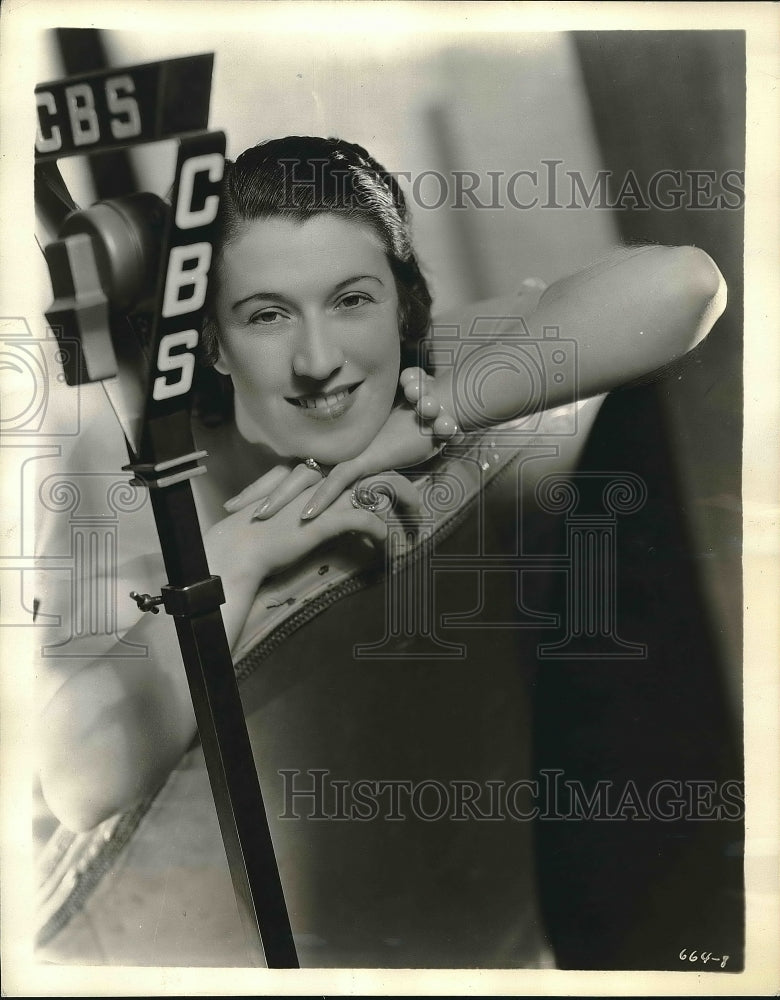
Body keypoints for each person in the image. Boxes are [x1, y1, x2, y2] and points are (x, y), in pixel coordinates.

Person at [34, 136, 727, 968]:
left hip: (496, 956)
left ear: (401, 304)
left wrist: (420, 424)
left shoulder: (445, 386)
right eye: (266, 314)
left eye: (351, 300)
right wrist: (233, 569)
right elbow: (80, 782)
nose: (318, 359)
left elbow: (685, 284)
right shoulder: (142, 494)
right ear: (212, 343)